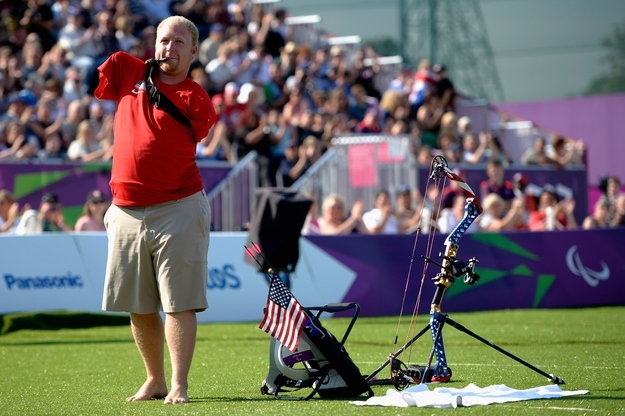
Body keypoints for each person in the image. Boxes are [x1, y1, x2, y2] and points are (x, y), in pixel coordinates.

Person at [94, 16, 218, 404]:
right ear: (154, 44)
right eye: (164, 40)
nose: (170, 48)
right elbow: (104, 68)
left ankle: (179, 384)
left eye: (180, 42)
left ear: (194, 51)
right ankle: (155, 379)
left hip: (177, 206)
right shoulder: (127, 70)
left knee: (179, 302)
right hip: (125, 209)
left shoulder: (196, 96)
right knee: (138, 304)